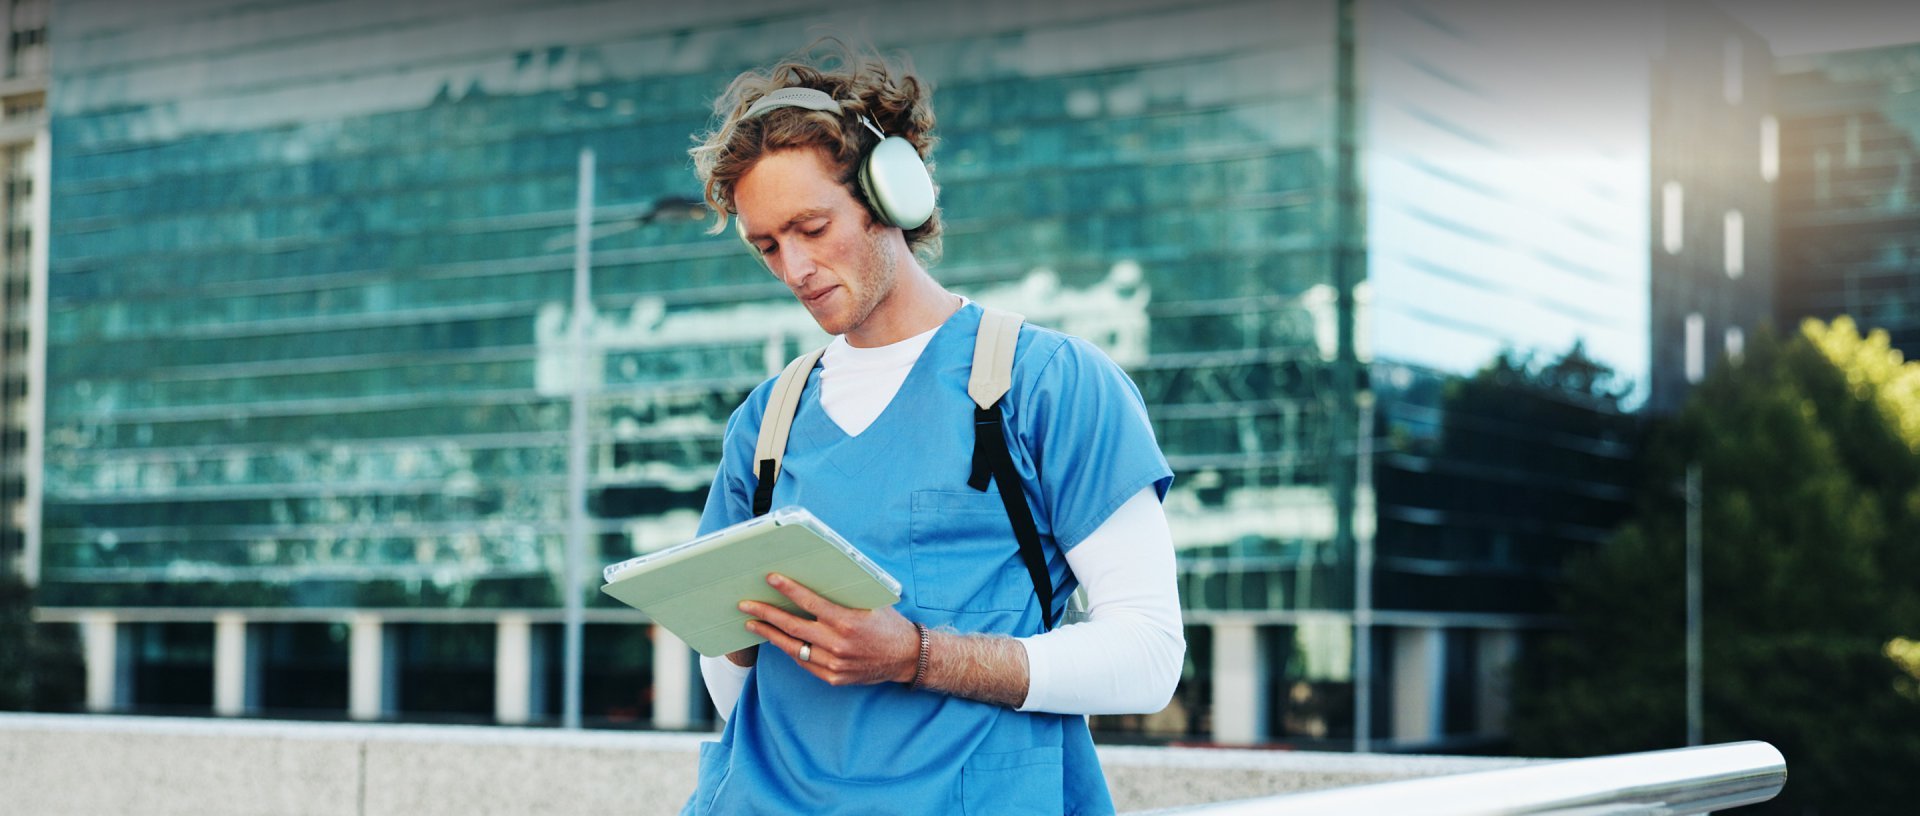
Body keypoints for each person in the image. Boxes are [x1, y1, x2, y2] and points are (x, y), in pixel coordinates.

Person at [682, 39, 1185, 815]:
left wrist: (914, 656)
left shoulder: (1047, 383)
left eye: (812, 227)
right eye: (768, 246)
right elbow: (730, 684)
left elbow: (1150, 656)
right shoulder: (766, 423)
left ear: (892, 198)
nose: (794, 269)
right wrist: (743, 630)